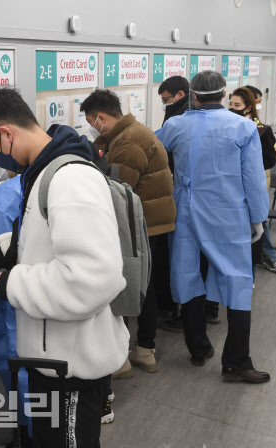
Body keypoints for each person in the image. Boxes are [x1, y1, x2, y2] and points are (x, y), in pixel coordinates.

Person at [0, 87, 128, 447]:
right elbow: (50, 239)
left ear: (7, 134)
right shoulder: (43, 170)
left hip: (71, 367)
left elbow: (93, 277)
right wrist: (1, 252)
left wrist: (13, 283)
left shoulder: (69, 178)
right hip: (53, 359)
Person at [156, 70, 270, 383]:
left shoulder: (175, 125)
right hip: (228, 215)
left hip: (187, 214)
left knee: (188, 274)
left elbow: (152, 152)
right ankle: (236, 361)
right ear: (223, 95)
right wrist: (258, 217)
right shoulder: (243, 127)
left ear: (192, 96)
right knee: (237, 282)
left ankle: (198, 348)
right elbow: (253, 178)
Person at [81, 89, 176, 377]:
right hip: (152, 221)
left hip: (141, 225)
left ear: (101, 117)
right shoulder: (130, 133)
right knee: (144, 288)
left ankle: (130, 355)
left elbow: (116, 189)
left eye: (90, 121)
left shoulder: (129, 142)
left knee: (133, 289)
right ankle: (143, 350)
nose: (91, 126)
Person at [0, 171, 33, 446]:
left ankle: (23, 437)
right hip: (39, 308)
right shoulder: (42, 183)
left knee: (19, 376)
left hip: (15, 301)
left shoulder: (2, 197)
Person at [229, 87, 276, 279]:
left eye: (237, 105)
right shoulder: (227, 127)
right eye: (230, 104)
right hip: (233, 189)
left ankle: (255, 270)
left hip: (255, 185)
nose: (231, 108)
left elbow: (270, 160)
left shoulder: (261, 130)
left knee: (256, 227)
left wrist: (249, 163)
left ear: (248, 108)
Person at [157, 76, 195, 332]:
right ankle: (200, 311)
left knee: (183, 258)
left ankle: (183, 312)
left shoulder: (178, 120)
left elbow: (158, 149)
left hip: (182, 192)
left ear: (180, 95)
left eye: (166, 99)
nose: (164, 104)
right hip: (190, 193)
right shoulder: (183, 114)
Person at [242, 86, 276, 274]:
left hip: (259, 179)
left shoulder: (260, 128)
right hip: (247, 181)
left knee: (258, 219)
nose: (259, 104)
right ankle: (265, 257)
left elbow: (270, 158)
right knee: (256, 220)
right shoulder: (232, 125)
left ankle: (269, 258)